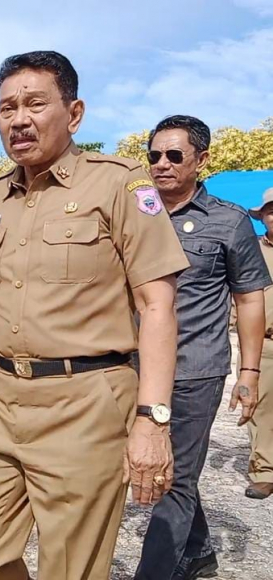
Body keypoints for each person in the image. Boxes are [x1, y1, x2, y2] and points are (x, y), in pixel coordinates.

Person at [0, 51, 190, 580]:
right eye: (7, 108)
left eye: (35, 104)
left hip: (86, 403)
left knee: (71, 567)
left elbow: (157, 305)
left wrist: (152, 421)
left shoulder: (120, 183)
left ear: (74, 114)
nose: (19, 119)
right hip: (0, 402)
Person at [135, 116, 270, 580]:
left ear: (201, 159)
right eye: (154, 155)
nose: (162, 164)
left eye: (174, 155)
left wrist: (249, 373)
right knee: (161, 468)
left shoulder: (228, 221)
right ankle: (198, 551)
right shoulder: (135, 212)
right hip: (134, 367)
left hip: (195, 369)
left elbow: (249, 298)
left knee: (171, 477)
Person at [246, 187, 273, 501]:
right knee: (261, 409)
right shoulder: (252, 250)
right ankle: (264, 472)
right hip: (264, 342)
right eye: (271, 210)